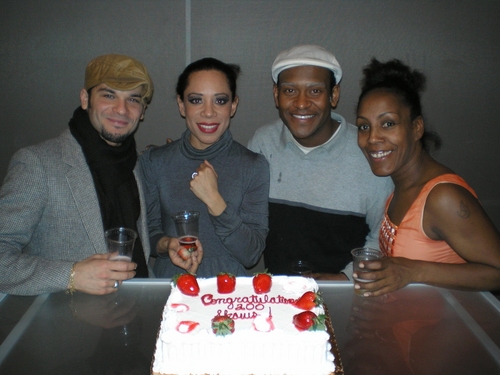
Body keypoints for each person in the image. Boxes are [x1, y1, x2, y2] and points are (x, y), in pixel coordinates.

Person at [0, 54, 155, 296]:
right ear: (85, 99)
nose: (121, 109)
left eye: (133, 99)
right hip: (68, 327)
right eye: (109, 95)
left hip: (136, 315)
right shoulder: (37, 163)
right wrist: (71, 275)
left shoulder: (134, 164)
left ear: (142, 111)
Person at [354, 58, 500, 296]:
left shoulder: (443, 197)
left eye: (388, 123)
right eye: (363, 127)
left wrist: (413, 271)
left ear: (417, 128)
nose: (372, 138)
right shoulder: (399, 185)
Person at [247, 45, 393, 278]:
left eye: (315, 91)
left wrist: (345, 279)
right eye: (290, 91)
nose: (302, 103)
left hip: (348, 298)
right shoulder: (263, 144)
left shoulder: (368, 151)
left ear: (334, 95)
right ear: (276, 95)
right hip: (277, 296)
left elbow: (382, 237)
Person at [139, 57, 269, 278]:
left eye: (220, 101)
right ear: (182, 105)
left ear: (233, 105)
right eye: (196, 100)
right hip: (171, 286)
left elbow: (251, 254)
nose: (208, 112)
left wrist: (214, 200)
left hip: (230, 292)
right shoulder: (155, 161)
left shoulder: (253, 166)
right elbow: (147, 236)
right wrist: (167, 244)